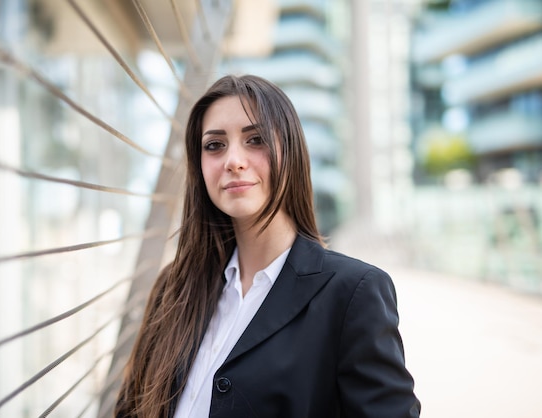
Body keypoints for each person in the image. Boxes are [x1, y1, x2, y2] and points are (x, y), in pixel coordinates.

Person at [114, 74, 420, 418]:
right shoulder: (174, 288)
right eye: (214, 145)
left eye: (255, 139)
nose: (233, 160)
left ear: (289, 151)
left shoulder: (352, 293)